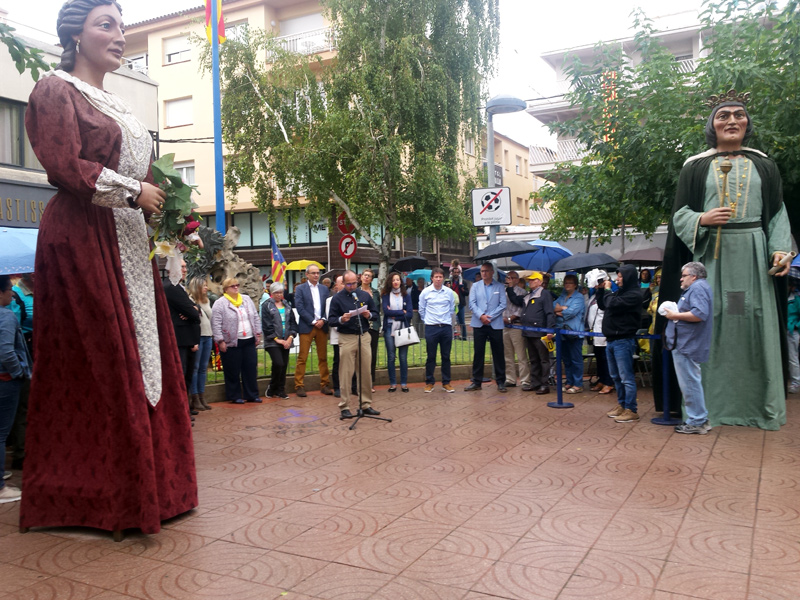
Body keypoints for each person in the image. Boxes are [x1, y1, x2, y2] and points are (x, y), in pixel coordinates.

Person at [21, 0, 197, 536]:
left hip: (126, 241)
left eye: (122, 25)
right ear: (76, 35)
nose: (119, 35)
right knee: (102, 359)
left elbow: (137, 179)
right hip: (81, 237)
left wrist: (162, 207)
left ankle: (157, 489)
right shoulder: (54, 89)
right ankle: (100, 496)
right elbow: (64, 165)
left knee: (148, 357)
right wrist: (133, 190)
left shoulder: (116, 104)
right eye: (107, 25)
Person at [660, 90, 791, 430]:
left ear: (747, 123)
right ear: (712, 124)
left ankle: (761, 409)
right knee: (707, 325)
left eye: (738, 115)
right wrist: (702, 219)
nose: (732, 120)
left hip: (753, 256)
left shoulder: (764, 164)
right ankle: (708, 410)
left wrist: (781, 249)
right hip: (711, 258)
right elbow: (680, 216)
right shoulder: (695, 166)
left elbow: (777, 214)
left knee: (754, 324)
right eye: (723, 116)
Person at [664, 262, 714, 434]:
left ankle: (698, 421)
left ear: (694, 276)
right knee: (690, 382)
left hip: (687, 345)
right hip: (686, 343)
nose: (681, 278)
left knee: (690, 383)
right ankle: (699, 419)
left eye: (684, 275)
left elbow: (700, 314)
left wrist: (674, 315)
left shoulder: (698, 288)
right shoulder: (697, 288)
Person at [327, 270, 381, 418]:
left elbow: (376, 314)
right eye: (349, 284)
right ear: (343, 283)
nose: (352, 286)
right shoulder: (337, 299)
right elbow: (331, 319)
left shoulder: (364, 295)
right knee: (346, 372)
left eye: (354, 283)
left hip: (363, 336)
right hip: (346, 337)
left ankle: (365, 405)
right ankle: (344, 406)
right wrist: (341, 319)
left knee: (365, 372)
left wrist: (368, 314)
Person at [597, 265, 643, 422]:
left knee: (626, 377)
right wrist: (600, 290)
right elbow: (603, 304)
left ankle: (632, 409)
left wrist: (608, 291)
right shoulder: (619, 293)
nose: (617, 279)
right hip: (611, 340)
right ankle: (622, 404)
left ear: (629, 277)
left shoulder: (634, 294)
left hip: (623, 340)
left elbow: (612, 304)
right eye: (617, 276)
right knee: (616, 376)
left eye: (621, 277)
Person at [0, 275, 32, 503]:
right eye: (9, 289)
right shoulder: (6, 316)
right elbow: (6, 351)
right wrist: (19, 372)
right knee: (1, 433)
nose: (12, 293)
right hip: (5, 380)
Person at [211, 278, 262, 403]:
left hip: (248, 339)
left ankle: (252, 394)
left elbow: (255, 316)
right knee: (232, 370)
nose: (235, 288)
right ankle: (235, 396)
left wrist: (258, 333)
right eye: (232, 286)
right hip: (231, 341)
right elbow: (216, 323)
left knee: (250, 368)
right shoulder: (220, 303)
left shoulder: (246, 299)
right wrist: (220, 340)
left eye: (237, 285)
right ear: (225, 289)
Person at [163, 260, 201, 417]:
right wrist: (193, 310)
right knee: (181, 374)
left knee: (187, 375)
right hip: (180, 339)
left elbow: (195, 311)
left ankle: (186, 407)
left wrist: (194, 309)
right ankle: (181, 411)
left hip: (187, 339)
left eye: (186, 266)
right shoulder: (171, 287)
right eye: (182, 267)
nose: (185, 269)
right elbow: (193, 313)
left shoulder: (179, 287)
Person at [465, 263, 507, 392]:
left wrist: (490, 317)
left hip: (495, 324)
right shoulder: (475, 286)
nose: (483, 273)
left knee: (498, 353)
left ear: (492, 272)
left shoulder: (499, 286)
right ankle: (476, 381)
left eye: (486, 271)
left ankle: (501, 382)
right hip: (479, 323)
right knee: (478, 353)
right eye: (482, 271)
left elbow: (502, 304)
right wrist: (481, 315)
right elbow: (471, 303)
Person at [293, 264, 332, 397]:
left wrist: (323, 320)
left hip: (322, 326)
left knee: (323, 357)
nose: (316, 275)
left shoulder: (324, 289)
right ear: (307, 275)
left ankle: (325, 384)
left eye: (318, 273)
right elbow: (299, 307)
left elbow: (328, 307)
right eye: (313, 273)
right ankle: (299, 385)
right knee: (302, 357)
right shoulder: (300, 289)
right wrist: (313, 321)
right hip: (307, 326)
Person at [513, 272, 555, 394]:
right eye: (529, 280)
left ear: (539, 281)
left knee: (544, 359)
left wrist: (550, 329)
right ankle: (535, 382)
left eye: (532, 280)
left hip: (541, 332)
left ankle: (544, 384)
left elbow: (549, 312)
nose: (529, 282)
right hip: (529, 331)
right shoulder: (529, 295)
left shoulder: (544, 294)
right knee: (533, 359)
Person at [419, 267, 456, 393]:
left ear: (443, 278)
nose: (438, 279)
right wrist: (429, 321)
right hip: (431, 327)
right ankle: (429, 382)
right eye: (436, 277)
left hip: (445, 327)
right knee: (431, 356)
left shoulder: (449, 292)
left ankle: (446, 382)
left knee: (446, 356)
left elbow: (452, 309)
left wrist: (445, 320)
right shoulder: (425, 292)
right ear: (432, 278)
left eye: (441, 277)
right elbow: (421, 310)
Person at [262, 282, 297, 400]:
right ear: (271, 293)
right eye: (276, 292)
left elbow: (293, 322)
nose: (278, 295)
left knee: (283, 365)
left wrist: (290, 337)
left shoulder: (287, 305)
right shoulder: (267, 305)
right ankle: (272, 387)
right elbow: (267, 325)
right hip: (273, 341)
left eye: (280, 292)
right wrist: (278, 340)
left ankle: (281, 390)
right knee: (278, 363)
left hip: (287, 339)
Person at [554, 274, 586, 393]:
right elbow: (553, 307)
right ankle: (569, 381)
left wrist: (560, 309)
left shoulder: (579, 297)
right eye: (565, 282)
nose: (567, 285)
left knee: (576, 359)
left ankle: (578, 384)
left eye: (570, 283)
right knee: (566, 358)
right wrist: (563, 308)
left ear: (575, 285)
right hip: (561, 332)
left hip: (575, 332)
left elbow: (571, 312)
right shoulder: (562, 296)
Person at [381, 272, 412, 392]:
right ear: (390, 282)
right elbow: (386, 312)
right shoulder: (385, 295)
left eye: (398, 280)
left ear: (401, 281)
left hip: (403, 328)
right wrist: (401, 312)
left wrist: (398, 315)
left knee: (403, 357)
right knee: (391, 357)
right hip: (389, 328)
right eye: (393, 280)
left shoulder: (406, 295)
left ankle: (404, 383)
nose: (395, 282)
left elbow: (409, 314)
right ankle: (393, 383)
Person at [586, 269, 614, 395]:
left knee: (605, 358)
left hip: (603, 331)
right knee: (599, 358)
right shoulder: (595, 295)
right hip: (594, 331)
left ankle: (609, 382)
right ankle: (601, 380)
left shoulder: (609, 294)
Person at [187, 276, 214, 410]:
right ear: (197, 286)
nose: (206, 288)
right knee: (195, 368)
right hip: (197, 337)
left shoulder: (206, 300)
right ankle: (195, 397)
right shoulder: (190, 300)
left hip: (208, 335)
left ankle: (202, 396)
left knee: (203, 368)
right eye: (203, 285)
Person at [502, 271, 530, 389]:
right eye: (508, 277)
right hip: (504, 326)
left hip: (516, 325)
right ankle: (510, 378)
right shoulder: (503, 292)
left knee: (521, 354)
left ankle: (525, 380)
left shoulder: (523, 293)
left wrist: (510, 318)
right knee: (508, 354)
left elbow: (521, 309)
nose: (510, 279)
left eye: (512, 278)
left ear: (517, 280)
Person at [361, 269, 381, 391]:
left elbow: (377, 309)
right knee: (361, 356)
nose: (367, 278)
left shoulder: (375, 293)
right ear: (361, 277)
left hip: (373, 326)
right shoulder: (356, 291)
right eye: (365, 275)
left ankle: (370, 381)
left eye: (369, 276)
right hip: (361, 327)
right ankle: (360, 381)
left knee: (372, 355)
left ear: (372, 279)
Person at [788, 279, 800, 395]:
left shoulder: (796, 299)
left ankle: (795, 382)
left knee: (792, 357)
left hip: (792, 331)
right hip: (783, 329)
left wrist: (796, 326)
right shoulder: (782, 298)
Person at [450, 265, 468, 340]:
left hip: (460, 304)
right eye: (455, 272)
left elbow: (467, 293)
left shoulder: (463, 281)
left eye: (458, 272)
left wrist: (463, 289)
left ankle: (464, 337)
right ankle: (451, 336)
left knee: (462, 322)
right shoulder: (450, 281)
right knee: (451, 321)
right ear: (452, 273)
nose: (456, 274)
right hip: (452, 304)